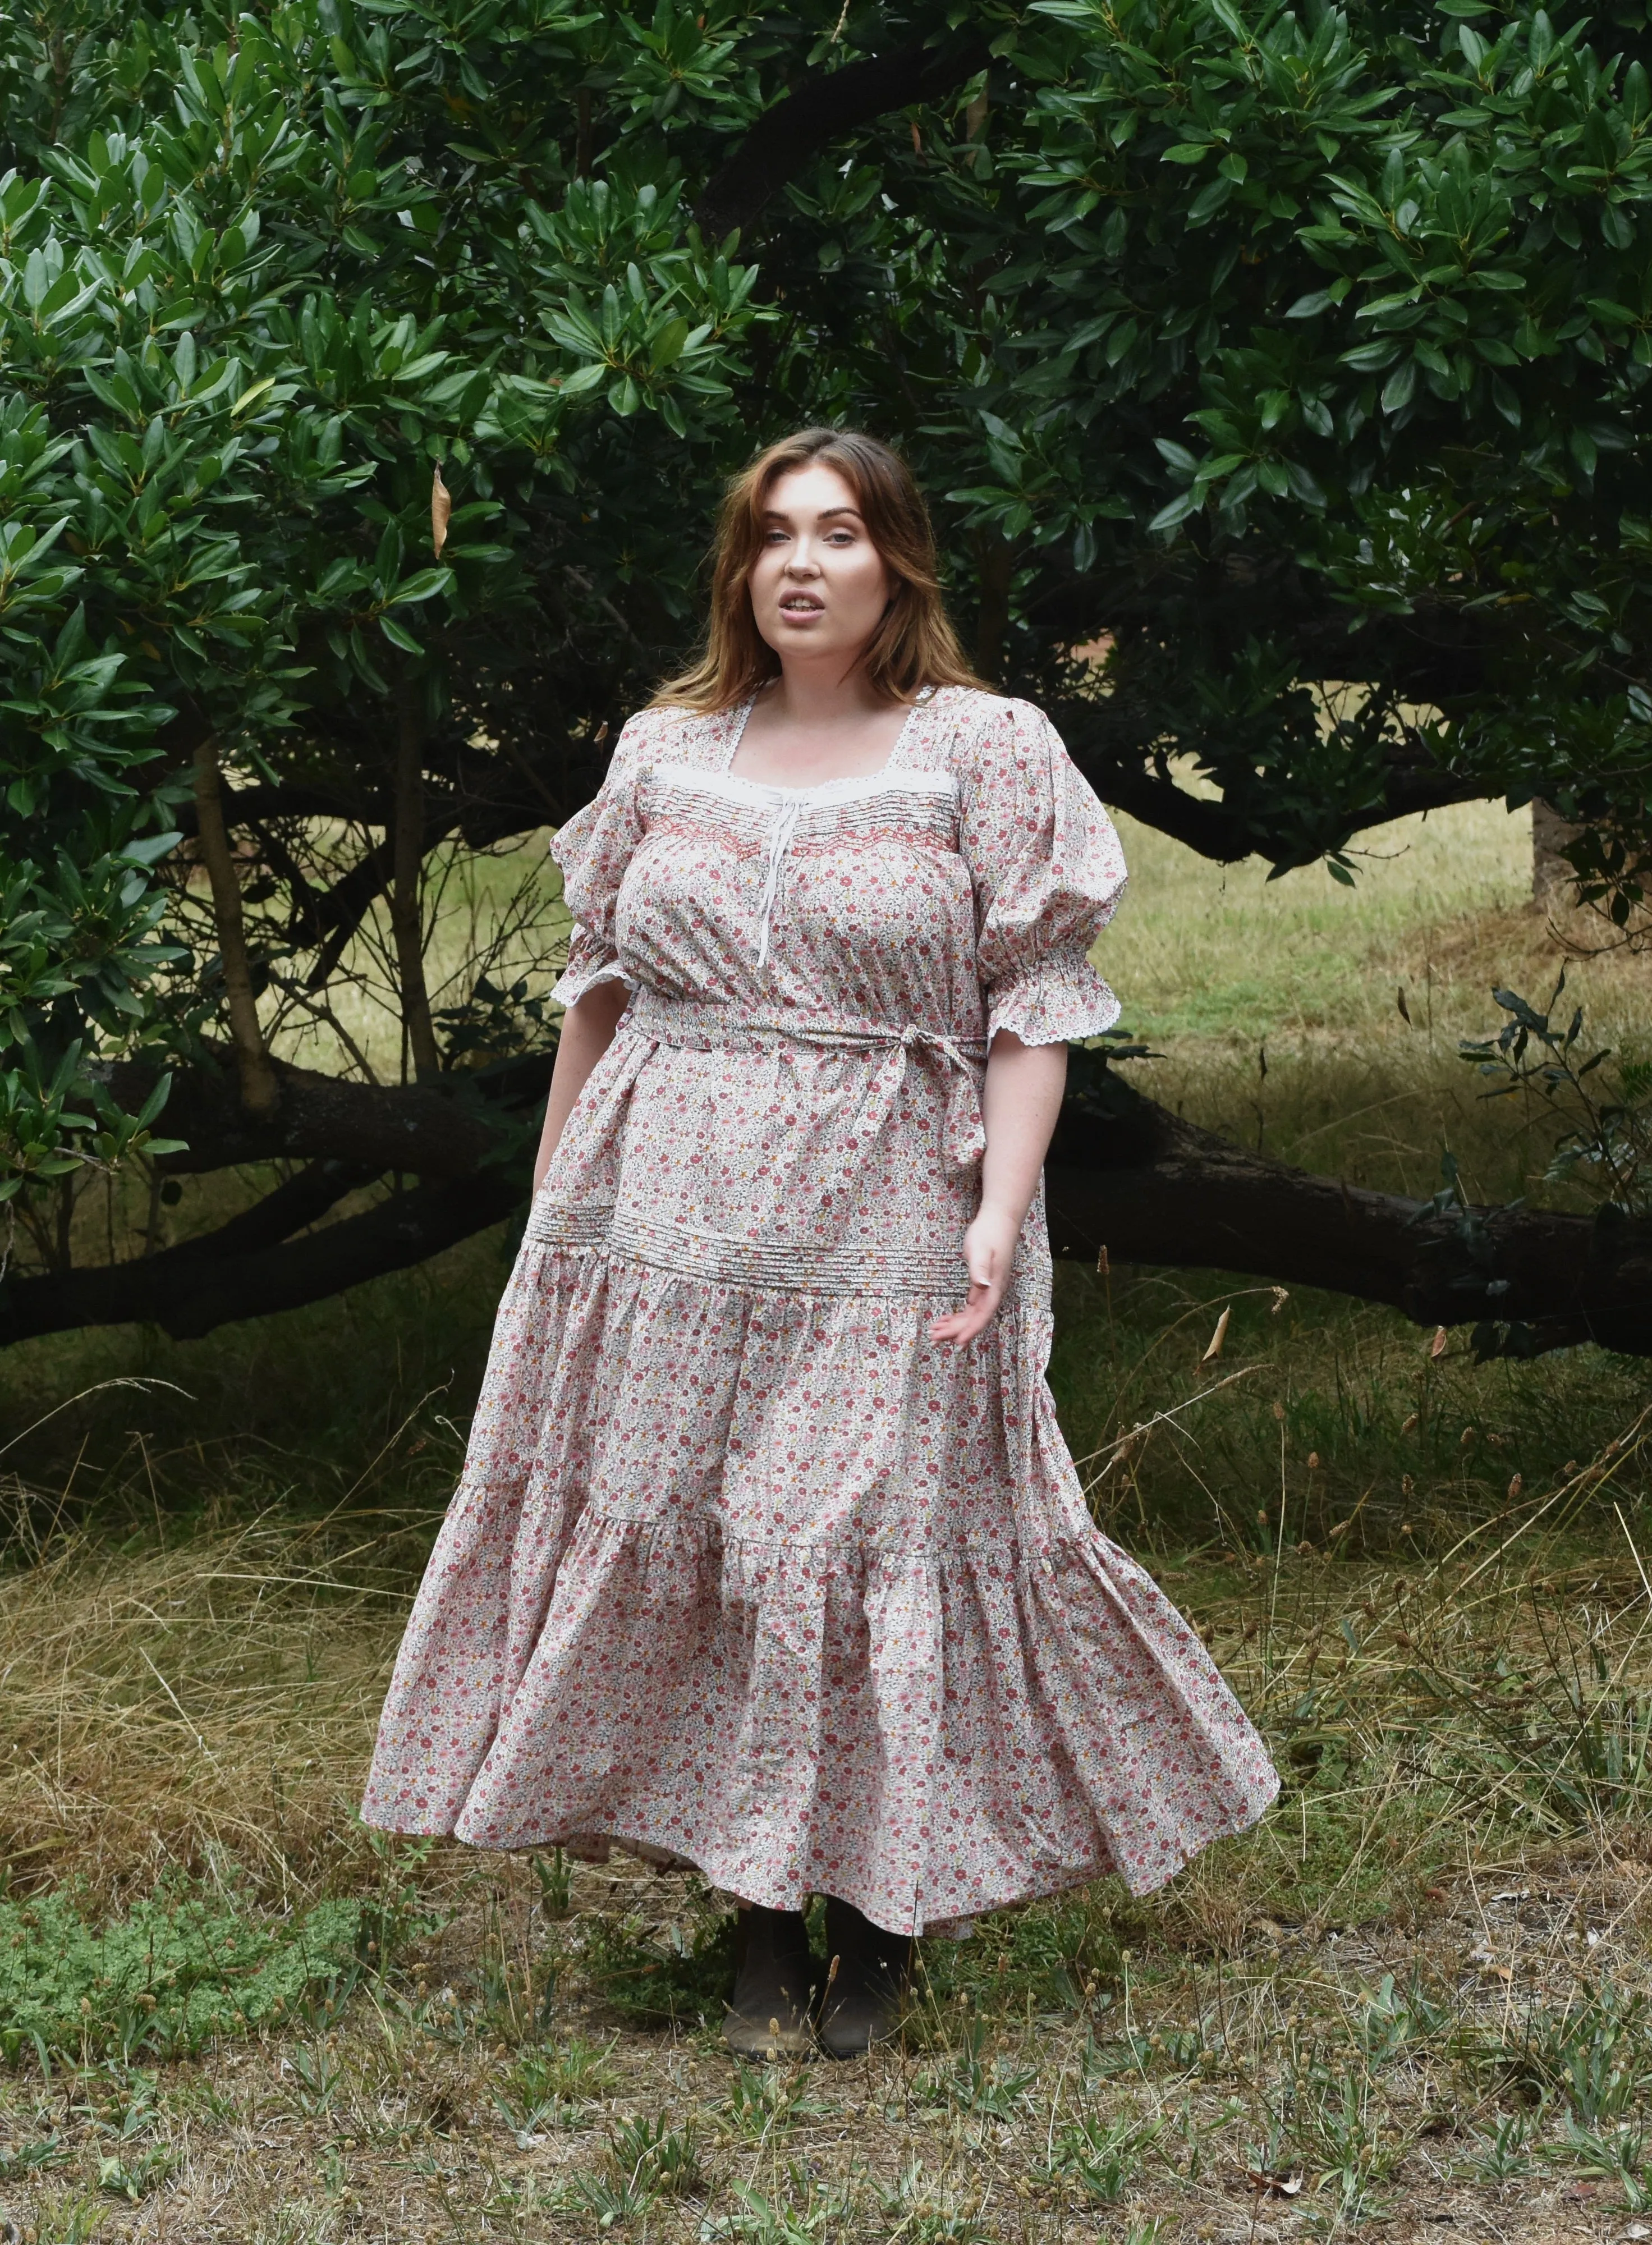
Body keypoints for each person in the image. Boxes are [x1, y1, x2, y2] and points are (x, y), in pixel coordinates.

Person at [361, 427, 1278, 2059]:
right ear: (739, 570)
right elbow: (601, 999)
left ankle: (880, 1918)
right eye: (773, 534)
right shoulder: (664, 754)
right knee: (702, 1535)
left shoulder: (983, 750)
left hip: (891, 1214)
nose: (802, 562)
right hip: (659, 1229)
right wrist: (551, 1220)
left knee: (837, 1542)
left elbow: (1033, 1012)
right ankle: (757, 1919)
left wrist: (998, 1213)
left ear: (896, 563)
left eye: (839, 533)